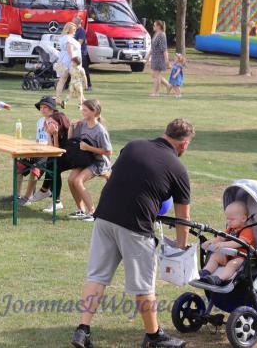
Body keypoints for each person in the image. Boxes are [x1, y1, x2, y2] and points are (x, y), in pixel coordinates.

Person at [70, 118, 193, 348]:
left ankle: (82, 330)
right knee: (143, 286)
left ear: (165, 133)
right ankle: (154, 336)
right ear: (184, 144)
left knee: (97, 276)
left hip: (104, 216)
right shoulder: (178, 168)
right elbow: (182, 218)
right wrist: (181, 245)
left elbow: (120, 176)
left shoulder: (133, 145)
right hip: (136, 226)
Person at [21, 97, 72, 209]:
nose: (42, 110)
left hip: (66, 156)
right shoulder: (42, 122)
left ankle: (48, 195)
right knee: (21, 164)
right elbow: (51, 147)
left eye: (45, 107)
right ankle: (43, 192)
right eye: (41, 107)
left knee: (52, 166)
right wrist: (50, 134)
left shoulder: (61, 124)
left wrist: (54, 135)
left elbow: (56, 150)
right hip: (48, 152)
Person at [66, 99, 113, 221]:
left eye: (85, 110)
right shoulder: (82, 124)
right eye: (82, 109)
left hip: (99, 162)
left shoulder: (100, 130)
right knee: (71, 180)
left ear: (94, 112)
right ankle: (80, 210)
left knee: (78, 181)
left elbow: (108, 151)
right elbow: (71, 140)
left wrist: (88, 148)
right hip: (85, 159)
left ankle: (92, 213)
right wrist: (71, 126)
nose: (82, 111)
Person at [196, 201, 255, 286]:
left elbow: (240, 243)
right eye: (227, 218)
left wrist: (224, 244)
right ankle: (205, 272)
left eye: (232, 219)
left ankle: (219, 278)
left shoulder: (247, 231)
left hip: (242, 258)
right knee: (215, 256)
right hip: (228, 255)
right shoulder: (230, 229)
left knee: (232, 264)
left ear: (243, 218)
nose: (228, 222)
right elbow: (220, 238)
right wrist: (209, 242)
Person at [54, 22, 79, 103]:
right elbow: (69, 51)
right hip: (68, 60)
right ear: (69, 30)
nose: (75, 31)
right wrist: (74, 60)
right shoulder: (69, 39)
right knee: (76, 79)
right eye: (73, 29)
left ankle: (58, 98)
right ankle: (81, 99)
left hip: (61, 59)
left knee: (62, 80)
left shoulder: (63, 38)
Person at [73, 15, 92, 90]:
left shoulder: (81, 31)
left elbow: (79, 43)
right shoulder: (75, 30)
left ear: (77, 23)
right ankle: (66, 85)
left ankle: (89, 85)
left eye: (73, 23)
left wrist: (71, 44)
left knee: (84, 70)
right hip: (75, 52)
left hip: (82, 53)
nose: (72, 24)